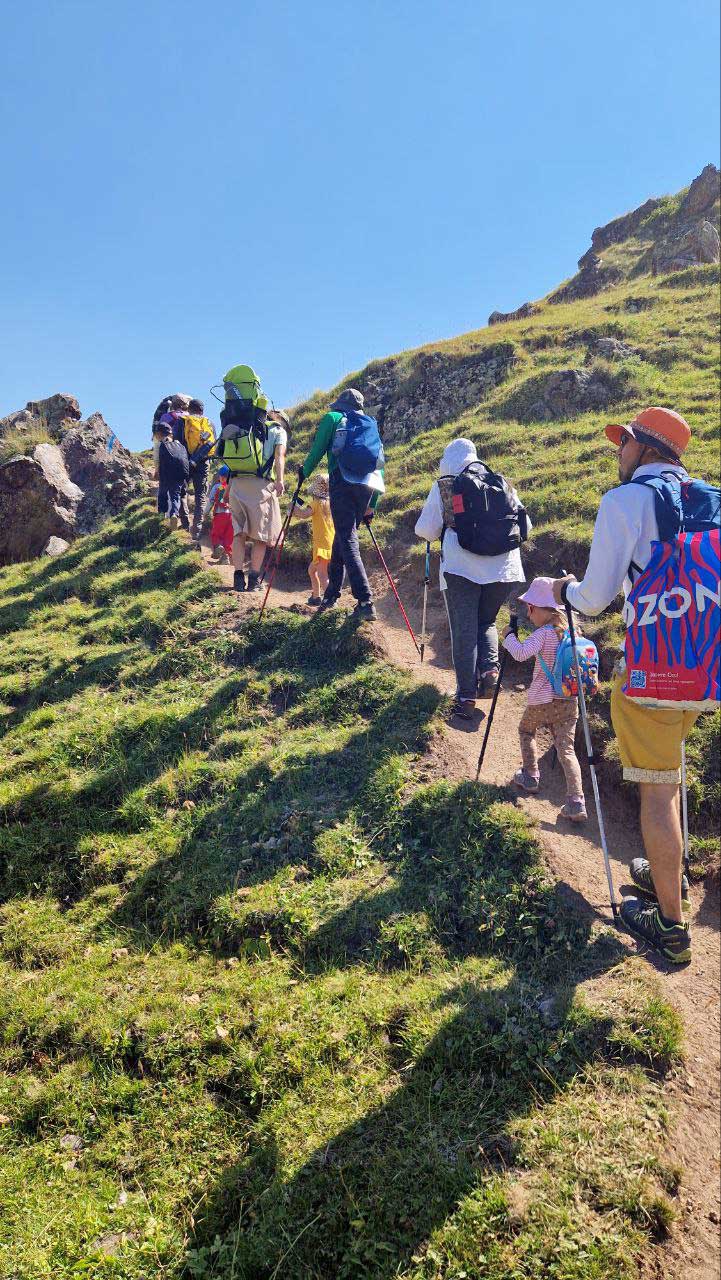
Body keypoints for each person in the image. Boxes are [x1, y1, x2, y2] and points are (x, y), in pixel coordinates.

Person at [551, 407, 700, 963]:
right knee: (673, 770)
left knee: (656, 790)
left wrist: (564, 590)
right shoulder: (708, 498)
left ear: (644, 447)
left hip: (657, 671)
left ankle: (670, 926)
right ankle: (671, 876)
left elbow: (595, 597)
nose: (618, 453)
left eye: (623, 444)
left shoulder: (624, 502)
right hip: (707, 668)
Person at [415, 438, 530, 719]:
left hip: (461, 567)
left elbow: (426, 530)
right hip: (504, 567)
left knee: (464, 628)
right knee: (487, 620)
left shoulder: (445, 484)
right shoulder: (498, 480)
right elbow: (526, 524)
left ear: (448, 458)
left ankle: (465, 696)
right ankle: (490, 673)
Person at [501, 578, 586, 822]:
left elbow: (519, 653)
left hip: (542, 700)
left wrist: (508, 636)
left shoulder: (543, 634)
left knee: (526, 730)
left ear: (540, 609)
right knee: (566, 749)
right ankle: (576, 801)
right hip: (569, 701)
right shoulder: (573, 631)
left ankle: (530, 775)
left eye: (530, 608)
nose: (529, 614)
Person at [299, 389, 383, 621]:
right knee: (341, 537)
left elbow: (318, 449)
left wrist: (303, 472)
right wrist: (372, 504)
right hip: (366, 486)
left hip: (342, 481)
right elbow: (379, 465)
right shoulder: (369, 424)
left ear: (339, 404)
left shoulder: (333, 418)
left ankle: (365, 600)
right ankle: (331, 594)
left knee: (346, 538)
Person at [228, 407, 288, 593]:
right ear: (282, 420)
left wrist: (228, 488)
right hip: (261, 485)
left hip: (237, 484)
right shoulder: (278, 431)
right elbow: (279, 457)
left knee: (239, 533)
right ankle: (253, 580)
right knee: (260, 536)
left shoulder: (246, 427)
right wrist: (279, 480)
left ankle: (238, 579)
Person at [293, 472, 334, 605]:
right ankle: (316, 596)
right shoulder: (331, 503)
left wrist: (293, 508)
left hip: (322, 543)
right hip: (330, 542)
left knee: (322, 574)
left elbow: (303, 514)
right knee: (312, 570)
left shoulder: (316, 503)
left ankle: (330, 600)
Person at [156, 421, 189, 530]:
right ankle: (174, 514)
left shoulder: (162, 445)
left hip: (167, 475)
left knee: (162, 495)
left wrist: (160, 476)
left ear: (160, 434)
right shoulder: (179, 445)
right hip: (180, 475)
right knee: (175, 496)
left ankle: (161, 516)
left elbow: (161, 462)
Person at [202, 464, 234, 563]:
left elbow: (211, 500)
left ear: (220, 476)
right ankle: (226, 557)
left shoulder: (217, 487)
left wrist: (205, 512)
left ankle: (218, 547)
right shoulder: (234, 488)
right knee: (228, 536)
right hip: (232, 516)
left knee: (216, 533)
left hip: (220, 514)